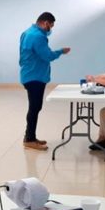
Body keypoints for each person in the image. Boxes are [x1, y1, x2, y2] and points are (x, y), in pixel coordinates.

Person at [19, 12, 71, 151]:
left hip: (29, 74)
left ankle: (31, 136)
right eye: (51, 25)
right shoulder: (38, 36)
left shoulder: (27, 32)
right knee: (34, 107)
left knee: (35, 107)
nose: (51, 29)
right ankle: (29, 139)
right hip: (35, 76)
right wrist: (61, 51)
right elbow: (47, 56)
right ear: (45, 23)